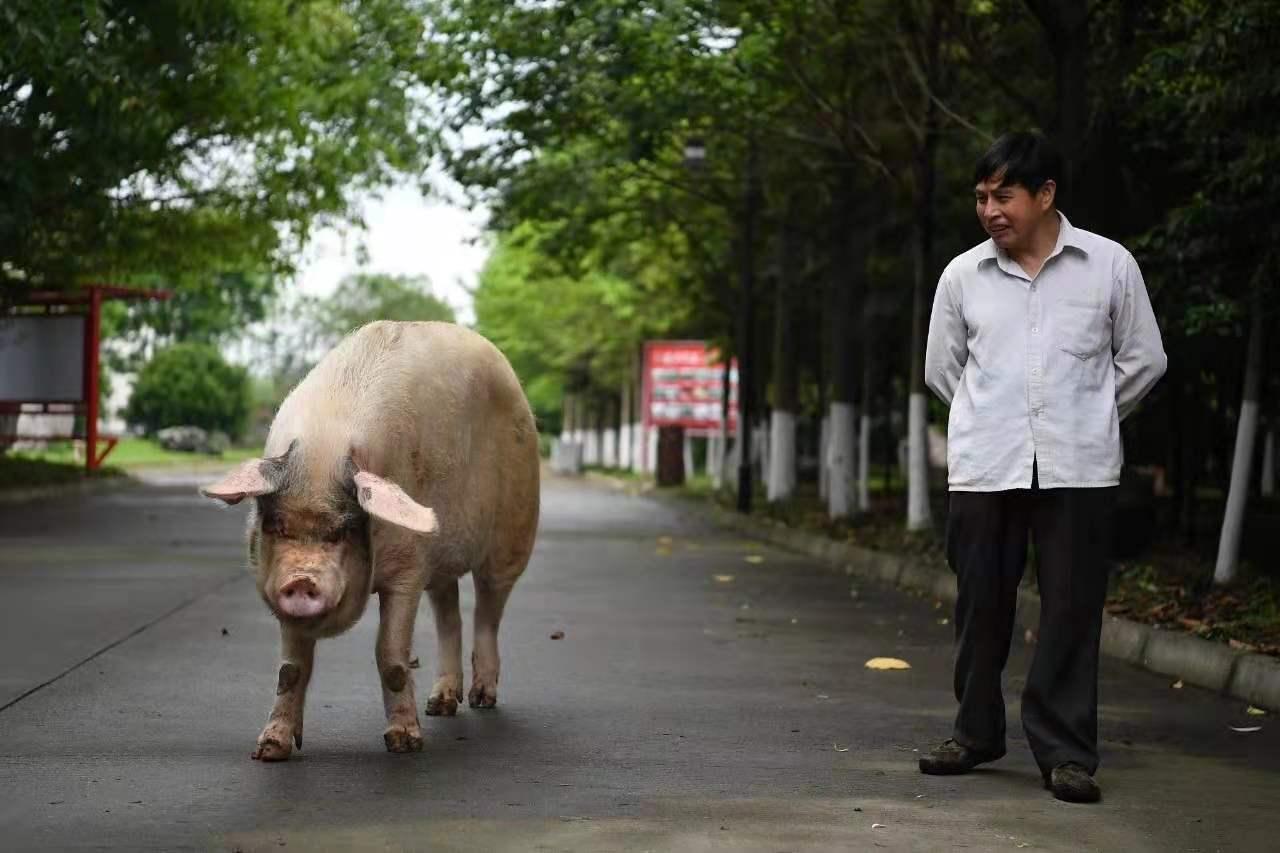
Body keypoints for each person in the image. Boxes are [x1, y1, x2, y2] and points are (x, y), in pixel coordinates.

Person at [920, 131, 1167, 803]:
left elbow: (1144, 358)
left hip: (1078, 467)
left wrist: (1090, 411)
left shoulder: (1108, 266)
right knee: (980, 604)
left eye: (1004, 196)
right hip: (986, 467)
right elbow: (942, 370)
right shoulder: (962, 276)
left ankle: (1065, 752)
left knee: (1071, 610)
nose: (989, 210)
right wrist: (993, 417)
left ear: (1046, 194)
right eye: (981, 197)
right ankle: (975, 733)